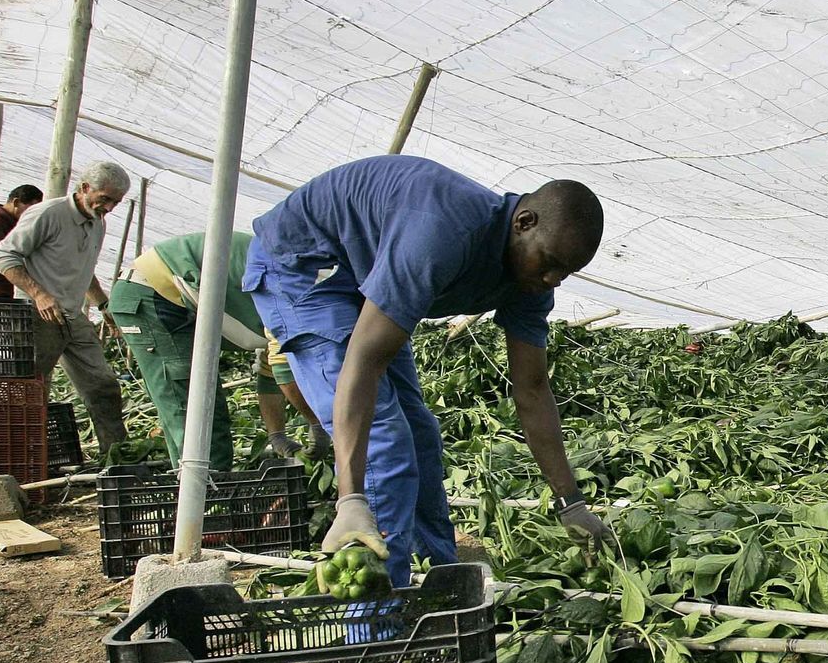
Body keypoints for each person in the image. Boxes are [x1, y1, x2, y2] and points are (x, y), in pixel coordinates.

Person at [243, 154, 610, 586]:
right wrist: (351, 498)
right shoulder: (443, 232)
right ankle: (375, 619)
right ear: (524, 222)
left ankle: (441, 582)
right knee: (383, 438)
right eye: (550, 263)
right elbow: (362, 364)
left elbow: (531, 389)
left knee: (419, 432)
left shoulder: (531, 279)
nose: (554, 280)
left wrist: (571, 502)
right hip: (306, 269)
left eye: (566, 273)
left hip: (366, 277)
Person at [106, 231, 332, 472]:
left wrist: (276, 434)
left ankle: (197, 491)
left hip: (171, 296)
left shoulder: (312, 291)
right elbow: (283, 373)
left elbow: (270, 374)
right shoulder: (307, 293)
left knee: (193, 408)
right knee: (198, 411)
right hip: (152, 295)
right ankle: (205, 498)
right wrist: (319, 423)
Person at [0, 162, 130, 456]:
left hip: (71, 315)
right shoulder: (48, 214)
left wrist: (103, 303)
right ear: (84, 188)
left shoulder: (97, 222)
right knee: (29, 391)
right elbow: (3, 257)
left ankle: (116, 457)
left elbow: (86, 268)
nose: (109, 207)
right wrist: (39, 294)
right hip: (36, 316)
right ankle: (17, 459)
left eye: (115, 202)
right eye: (104, 198)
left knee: (102, 384)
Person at [0, 184, 43, 299]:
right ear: (16, 203)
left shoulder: (9, 222)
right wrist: (19, 282)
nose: (33, 215)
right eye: (31, 210)